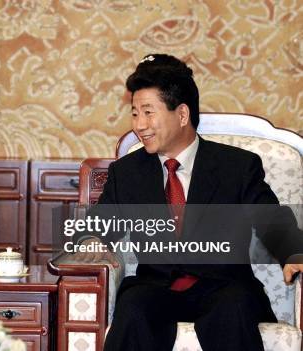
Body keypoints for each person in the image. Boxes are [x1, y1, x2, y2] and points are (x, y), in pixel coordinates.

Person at [90, 54, 303, 351]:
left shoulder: (236, 167)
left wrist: (292, 252)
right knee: (134, 306)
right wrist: (90, 242)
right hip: (156, 289)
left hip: (223, 287)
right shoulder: (127, 172)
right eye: (135, 113)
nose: (140, 125)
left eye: (149, 112)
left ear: (181, 114)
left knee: (232, 308)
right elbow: (100, 225)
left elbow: (270, 217)